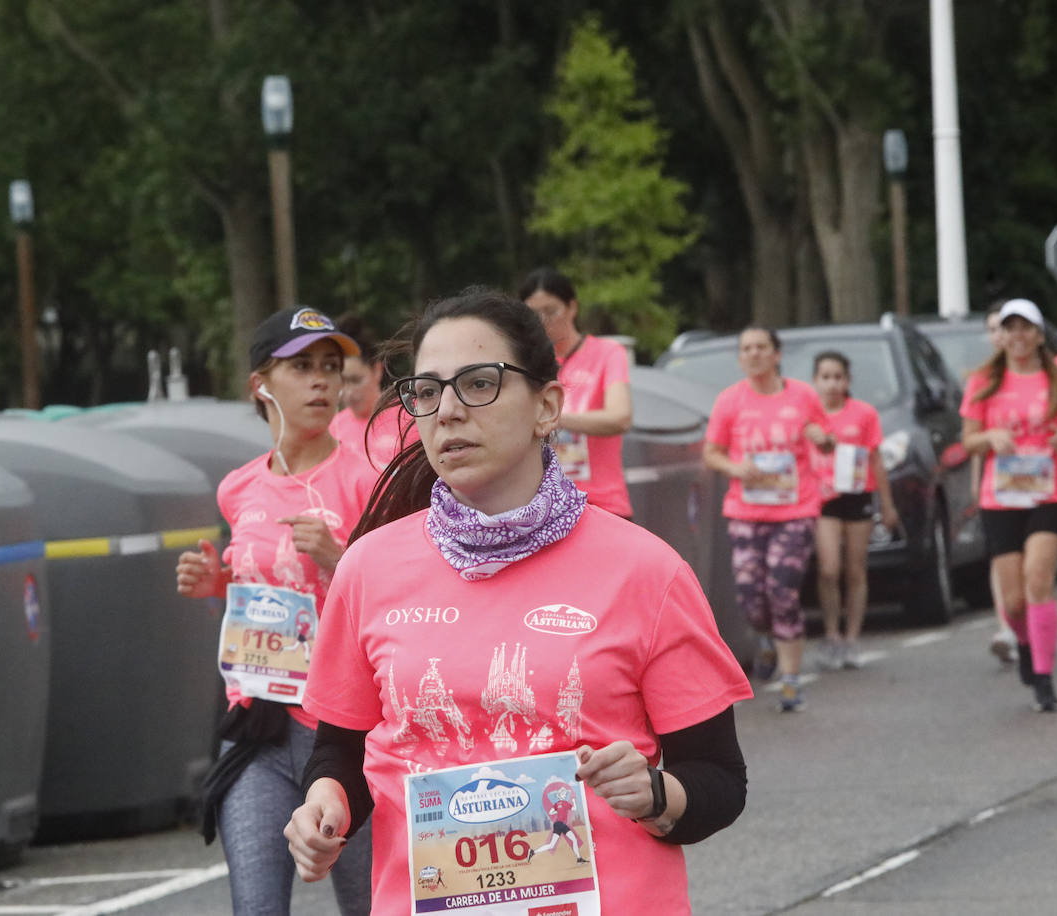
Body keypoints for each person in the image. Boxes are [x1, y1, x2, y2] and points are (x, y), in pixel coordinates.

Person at [283, 288, 752, 913]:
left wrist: (656, 794)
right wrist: (327, 804)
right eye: (426, 391)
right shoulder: (368, 567)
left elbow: (719, 779)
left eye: (479, 383)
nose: (447, 411)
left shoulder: (646, 570)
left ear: (547, 407)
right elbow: (340, 752)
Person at [175, 306, 376, 915]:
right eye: (303, 368)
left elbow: (400, 604)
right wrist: (217, 582)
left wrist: (338, 559)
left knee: (369, 906)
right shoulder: (238, 489)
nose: (322, 382)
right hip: (259, 727)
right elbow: (261, 590)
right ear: (261, 385)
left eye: (330, 368)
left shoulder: (366, 479)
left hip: (345, 736)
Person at [702, 327, 834, 712]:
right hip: (746, 511)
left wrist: (820, 436)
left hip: (795, 509)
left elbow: (828, 439)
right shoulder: (730, 401)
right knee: (751, 598)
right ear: (740, 357)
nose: (754, 354)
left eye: (761, 348)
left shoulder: (804, 396)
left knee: (783, 590)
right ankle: (764, 638)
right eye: (746, 349)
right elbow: (713, 453)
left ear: (776, 354)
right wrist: (736, 468)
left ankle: (792, 680)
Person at [960, 297, 1057, 712]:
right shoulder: (984, 381)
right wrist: (990, 439)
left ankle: (1044, 677)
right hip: (1002, 495)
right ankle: (1025, 643)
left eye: (1026, 327)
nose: (1019, 335)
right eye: (1011, 328)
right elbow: (968, 440)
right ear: (1001, 335)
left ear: (1039, 334)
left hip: (1051, 490)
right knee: (1012, 601)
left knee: (1038, 578)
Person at [809, 351, 899, 669]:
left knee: (855, 569)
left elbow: (876, 459)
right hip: (823, 500)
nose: (832, 383)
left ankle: (852, 637)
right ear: (815, 380)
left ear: (847, 381)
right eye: (825, 377)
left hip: (858, 495)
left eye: (838, 377)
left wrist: (887, 505)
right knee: (829, 568)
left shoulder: (863, 414)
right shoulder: (809, 417)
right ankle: (832, 633)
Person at [519, 267, 634, 517]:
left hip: (603, 505)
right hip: (545, 509)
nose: (542, 321)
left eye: (550, 311)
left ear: (572, 308)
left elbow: (620, 418)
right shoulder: (525, 365)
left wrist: (553, 418)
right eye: (532, 314)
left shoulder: (607, 353)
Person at [978, 304, 1020, 664]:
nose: (999, 336)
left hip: (1042, 487)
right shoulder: (981, 380)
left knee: (1034, 564)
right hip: (998, 488)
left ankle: (1028, 624)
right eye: (992, 329)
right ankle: (1006, 626)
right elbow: (972, 441)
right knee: (1000, 559)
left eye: (1002, 328)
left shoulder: (1043, 374)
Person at [328, 313, 417, 470]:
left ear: (377, 370)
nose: (347, 393)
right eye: (341, 382)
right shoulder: (332, 429)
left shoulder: (410, 417)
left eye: (356, 380)